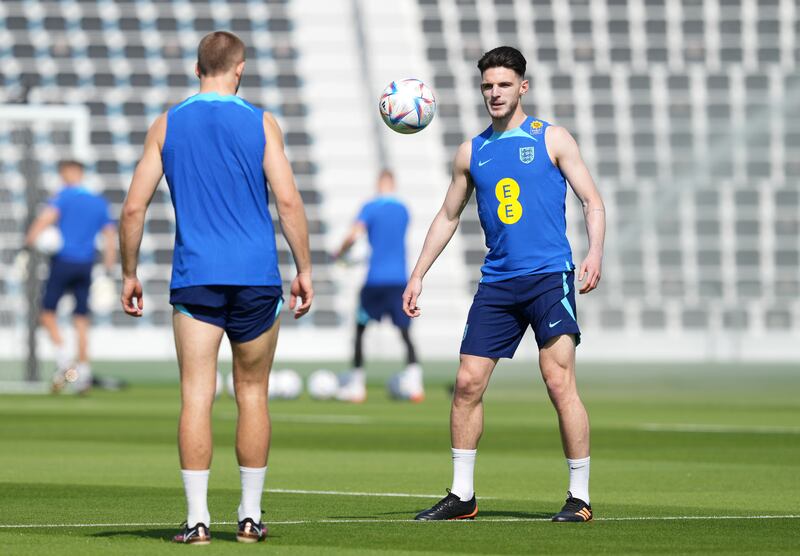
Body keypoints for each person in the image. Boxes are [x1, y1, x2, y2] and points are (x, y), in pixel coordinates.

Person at [119, 31, 313, 544]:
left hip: (196, 276)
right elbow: (289, 202)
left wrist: (129, 272)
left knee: (196, 396)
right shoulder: (259, 122)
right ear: (240, 68)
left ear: (196, 67)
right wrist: (305, 269)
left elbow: (134, 206)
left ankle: (197, 520)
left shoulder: (169, 123)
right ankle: (249, 517)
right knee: (252, 394)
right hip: (255, 275)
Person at [403, 46, 605, 522]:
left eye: (503, 85)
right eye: (487, 86)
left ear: (522, 87)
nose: (494, 93)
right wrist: (418, 274)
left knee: (558, 381)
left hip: (549, 278)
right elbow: (448, 216)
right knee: (467, 383)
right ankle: (462, 495)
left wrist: (595, 252)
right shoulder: (472, 151)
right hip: (498, 283)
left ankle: (579, 498)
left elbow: (591, 200)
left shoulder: (552, 138)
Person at [332, 169, 423, 403]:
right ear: (394, 184)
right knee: (405, 333)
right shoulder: (403, 209)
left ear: (379, 183)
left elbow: (354, 235)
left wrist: (340, 253)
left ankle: (357, 385)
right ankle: (415, 384)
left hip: (375, 280)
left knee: (361, 331)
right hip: (399, 281)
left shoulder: (371, 207)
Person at [25, 159, 116, 392]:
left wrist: (29, 244)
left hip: (63, 262)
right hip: (86, 265)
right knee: (81, 319)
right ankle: (83, 373)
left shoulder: (63, 197)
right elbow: (109, 237)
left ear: (67, 173)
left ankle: (66, 363)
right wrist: (108, 268)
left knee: (46, 314)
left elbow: (42, 223)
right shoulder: (99, 202)